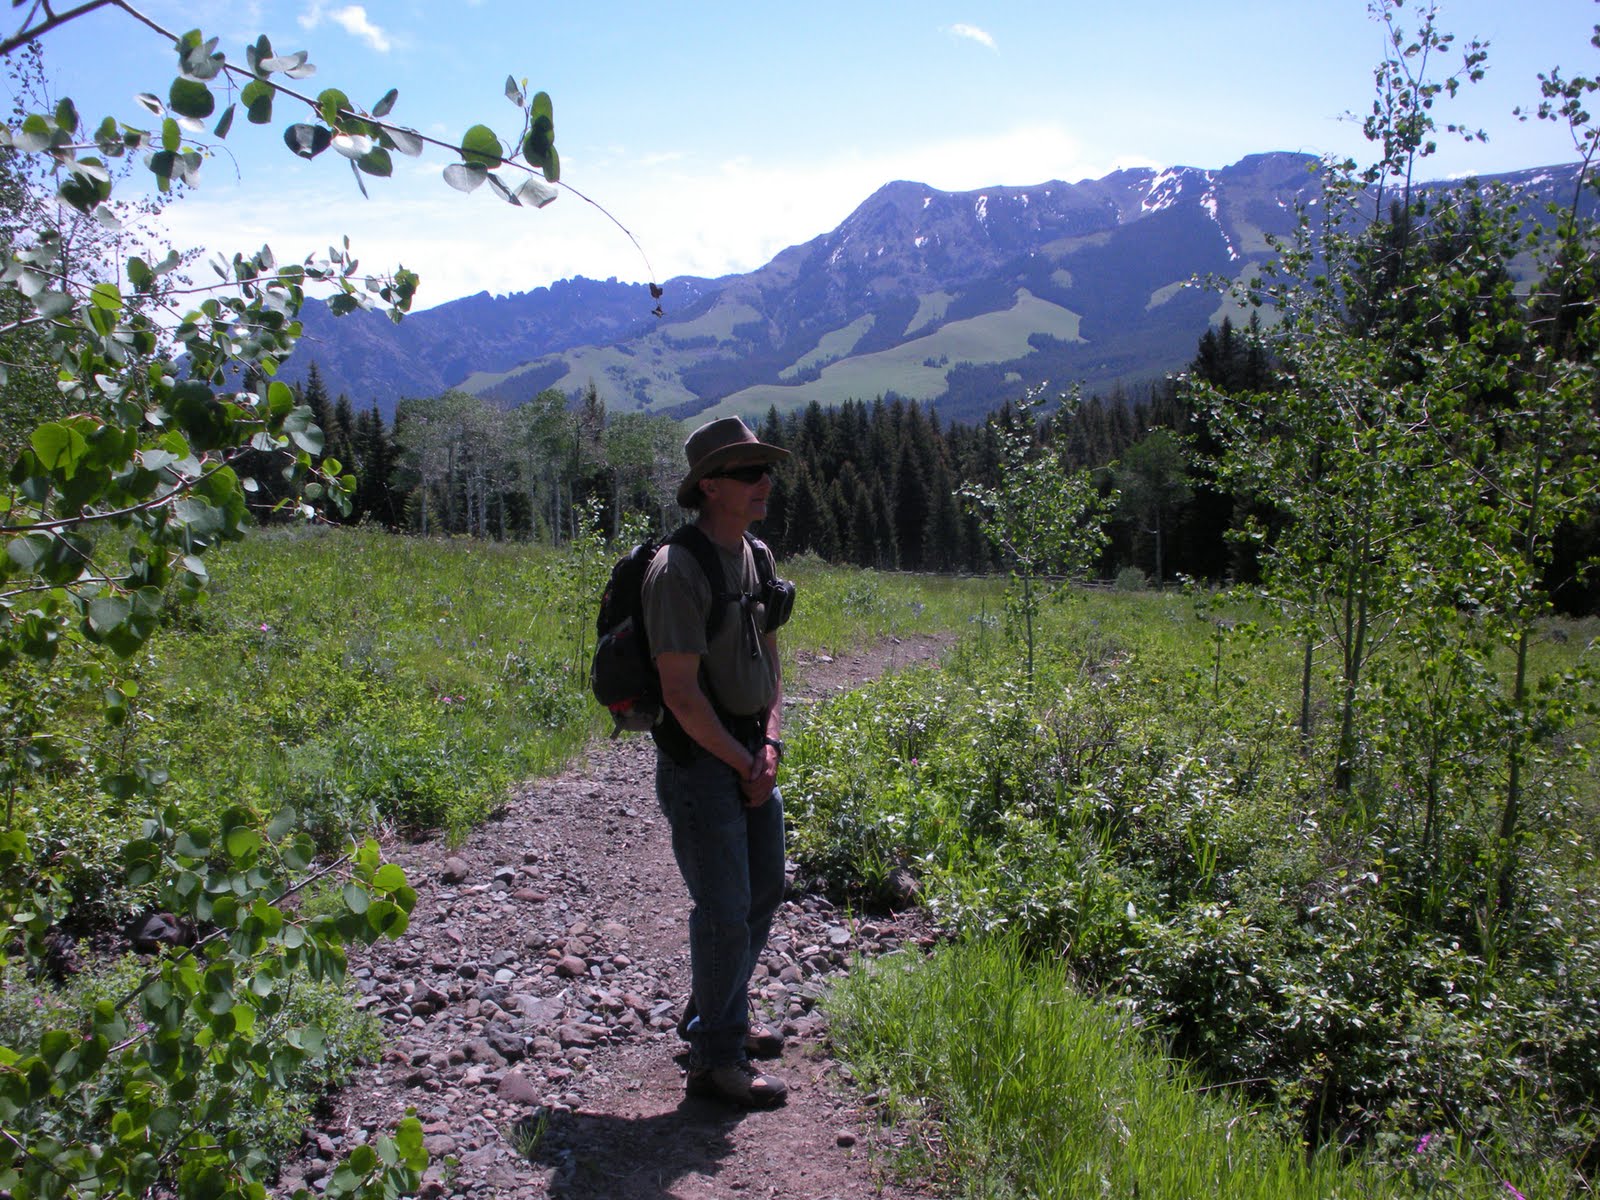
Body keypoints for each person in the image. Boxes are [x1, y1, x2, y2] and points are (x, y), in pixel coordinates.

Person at [642, 416, 792, 1108]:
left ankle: (715, 1017)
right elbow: (679, 694)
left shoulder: (756, 556)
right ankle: (716, 1059)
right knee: (725, 906)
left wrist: (769, 745)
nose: (765, 483)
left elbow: (771, 662)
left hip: (747, 752)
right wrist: (741, 761)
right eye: (748, 473)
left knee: (762, 891)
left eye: (766, 470)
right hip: (701, 760)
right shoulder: (678, 570)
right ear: (709, 486)